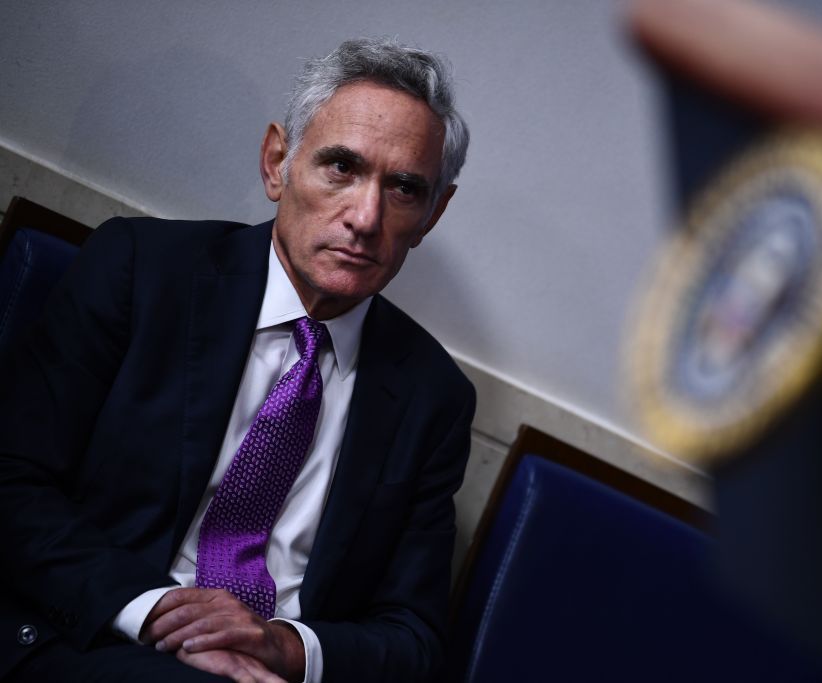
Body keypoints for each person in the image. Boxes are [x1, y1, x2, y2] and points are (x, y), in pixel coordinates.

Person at [0, 37, 474, 683]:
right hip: (96, 636)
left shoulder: (431, 395)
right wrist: (162, 611)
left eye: (404, 188)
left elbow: (412, 637)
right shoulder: (141, 271)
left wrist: (282, 645)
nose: (365, 216)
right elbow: (12, 484)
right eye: (341, 167)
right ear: (278, 162)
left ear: (433, 213)